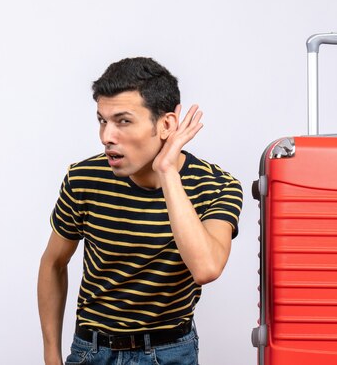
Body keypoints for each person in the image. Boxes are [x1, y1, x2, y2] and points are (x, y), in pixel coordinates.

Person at [37, 57, 243, 365]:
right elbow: (53, 263)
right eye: (102, 120)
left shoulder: (216, 186)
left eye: (123, 121)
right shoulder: (84, 178)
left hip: (170, 352)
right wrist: (51, 357)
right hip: (91, 352)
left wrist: (167, 172)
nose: (107, 136)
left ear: (166, 125)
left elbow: (207, 268)